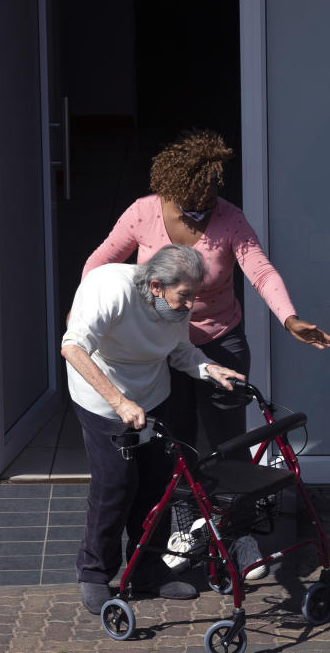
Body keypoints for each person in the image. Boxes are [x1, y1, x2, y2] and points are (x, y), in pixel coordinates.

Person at [80, 128, 330, 577]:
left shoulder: (230, 219)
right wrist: (90, 316)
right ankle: (185, 523)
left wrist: (290, 318)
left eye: (209, 199)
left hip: (220, 340)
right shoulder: (143, 214)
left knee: (227, 442)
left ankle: (239, 535)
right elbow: (99, 264)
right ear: (171, 189)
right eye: (190, 202)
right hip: (159, 343)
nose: (200, 210)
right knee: (173, 442)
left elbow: (260, 269)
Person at [61, 244, 245, 615]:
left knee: (156, 484)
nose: (189, 305)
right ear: (156, 286)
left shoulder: (174, 304)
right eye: (184, 296)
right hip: (102, 397)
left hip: (152, 393)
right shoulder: (110, 289)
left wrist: (209, 368)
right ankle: (95, 573)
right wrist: (119, 402)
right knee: (115, 482)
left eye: (194, 295)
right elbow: (73, 348)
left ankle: (147, 571)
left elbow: (181, 352)